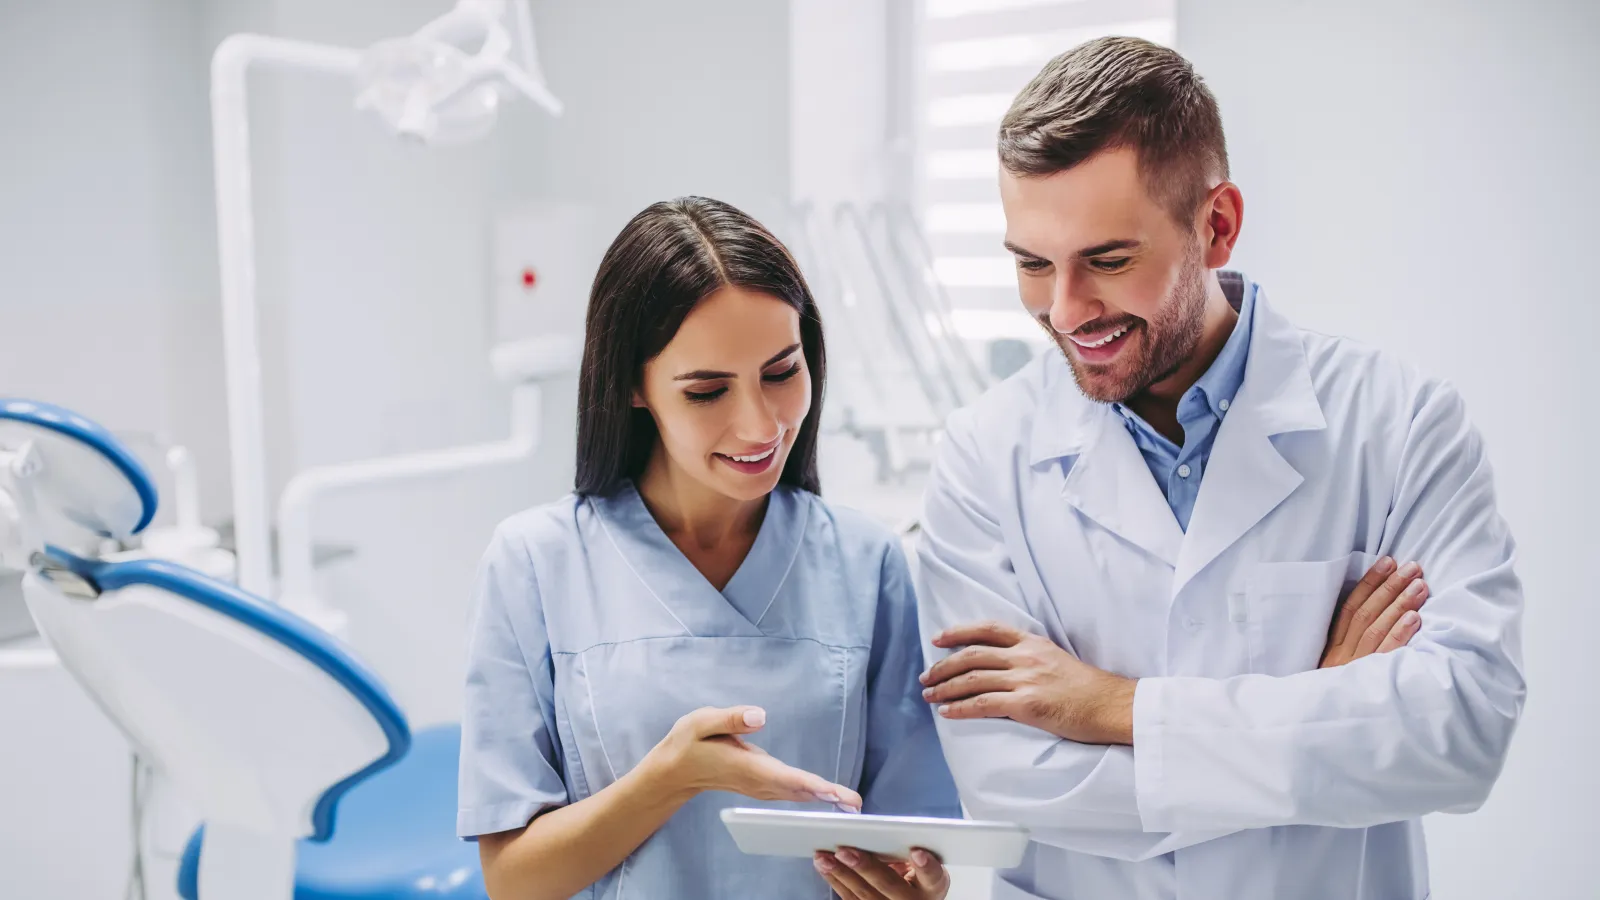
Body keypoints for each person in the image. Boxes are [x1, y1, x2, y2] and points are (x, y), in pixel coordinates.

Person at [913, 37, 1526, 900]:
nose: (1064, 310)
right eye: (1031, 264)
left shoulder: (1400, 424)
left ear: (1218, 225)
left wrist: (1114, 708)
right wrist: (1322, 712)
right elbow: (1013, 786)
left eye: (1109, 260)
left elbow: (1462, 733)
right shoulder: (982, 458)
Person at [456, 196, 960, 900]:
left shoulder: (868, 564)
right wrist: (673, 778)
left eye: (782, 374)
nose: (759, 426)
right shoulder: (534, 564)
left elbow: (916, 839)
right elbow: (513, 881)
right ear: (633, 385)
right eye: (706, 391)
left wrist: (922, 888)